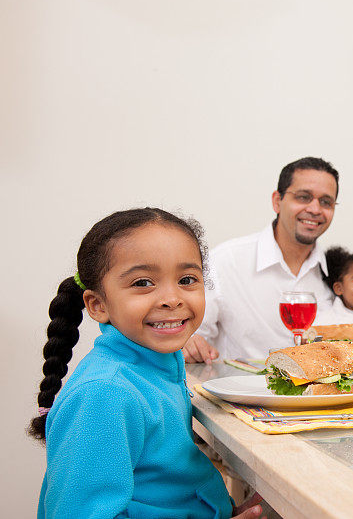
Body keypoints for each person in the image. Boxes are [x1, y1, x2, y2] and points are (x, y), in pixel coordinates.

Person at [29, 208, 261, 519]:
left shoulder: (158, 365)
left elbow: (161, 485)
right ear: (97, 305)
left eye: (187, 279)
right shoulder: (105, 394)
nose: (172, 298)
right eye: (142, 283)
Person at [183, 157, 339, 362]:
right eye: (303, 197)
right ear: (277, 201)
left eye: (326, 202)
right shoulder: (226, 261)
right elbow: (192, 339)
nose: (315, 209)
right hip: (240, 392)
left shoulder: (339, 274)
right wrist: (189, 343)